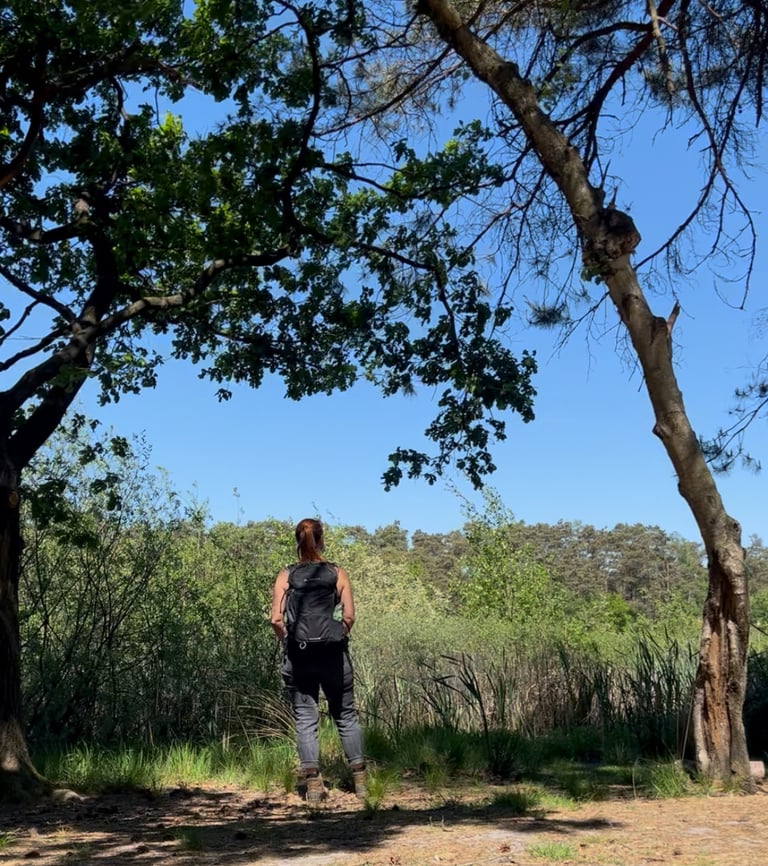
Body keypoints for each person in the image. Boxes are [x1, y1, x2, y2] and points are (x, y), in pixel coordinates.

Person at [270, 517, 366, 804]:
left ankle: (313, 786)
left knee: (305, 718)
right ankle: (361, 783)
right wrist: (338, 634)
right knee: (345, 715)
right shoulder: (337, 573)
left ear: (297, 542)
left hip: (299, 657)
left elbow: (275, 618)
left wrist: (289, 640)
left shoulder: (286, 575)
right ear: (321, 540)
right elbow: (349, 616)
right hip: (333, 655)